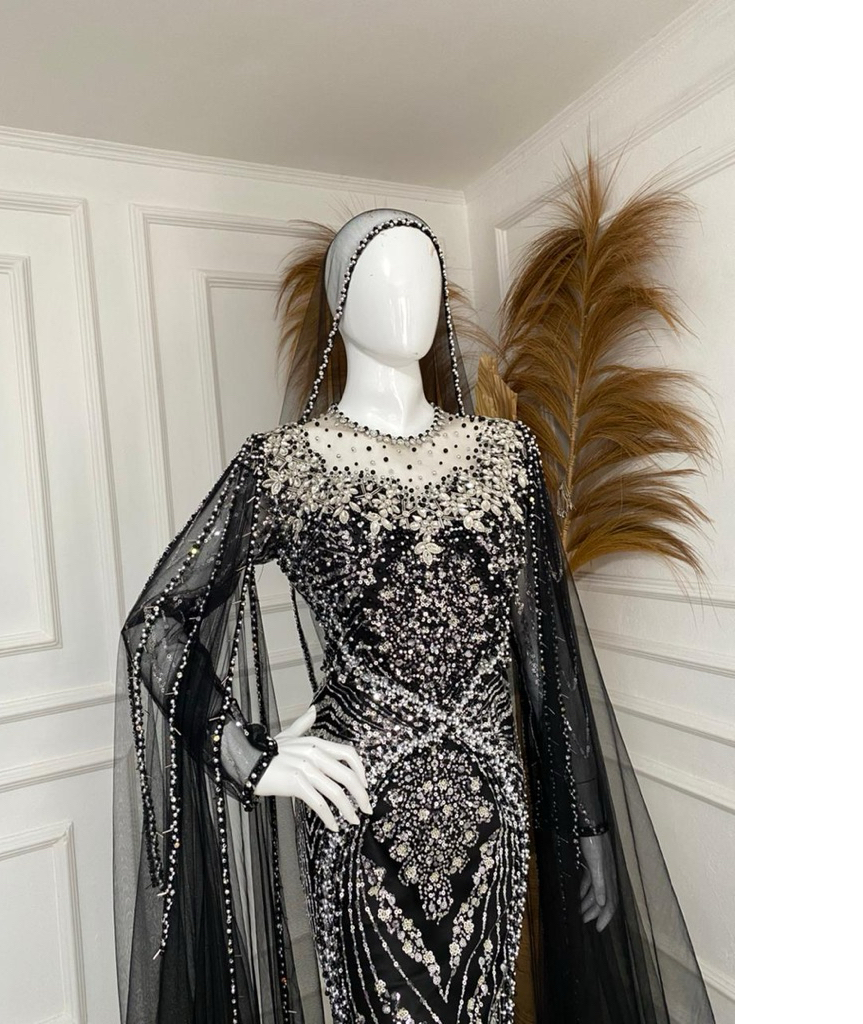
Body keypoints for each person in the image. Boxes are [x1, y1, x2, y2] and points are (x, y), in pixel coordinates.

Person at [112, 209, 716, 1023]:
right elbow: (156, 622)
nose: (411, 294)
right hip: (362, 818)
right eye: (383, 274)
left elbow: (547, 652)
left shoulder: (506, 457)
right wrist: (248, 757)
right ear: (341, 298)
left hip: (494, 813)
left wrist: (589, 823)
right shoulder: (286, 466)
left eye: (426, 273)